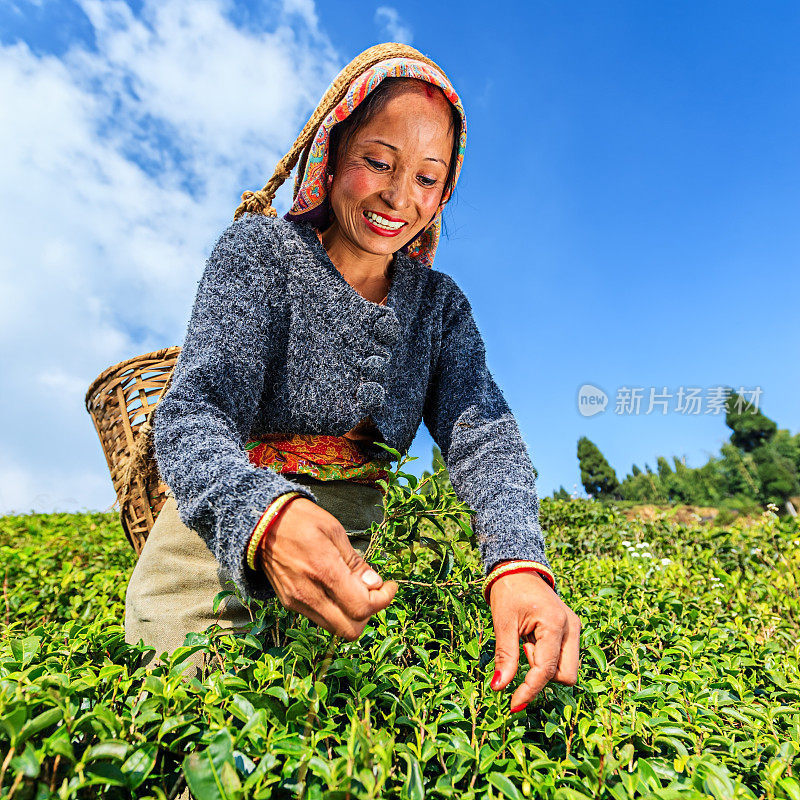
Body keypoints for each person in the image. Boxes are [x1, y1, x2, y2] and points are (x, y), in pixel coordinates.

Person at [124, 42, 580, 713]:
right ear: (333, 153)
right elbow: (194, 413)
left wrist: (517, 563)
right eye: (378, 161)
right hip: (208, 562)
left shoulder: (438, 308)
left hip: (345, 587)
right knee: (192, 730)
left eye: (428, 178)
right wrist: (267, 518)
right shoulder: (263, 253)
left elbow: (484, 436)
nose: (400, 197)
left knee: (325, 745)